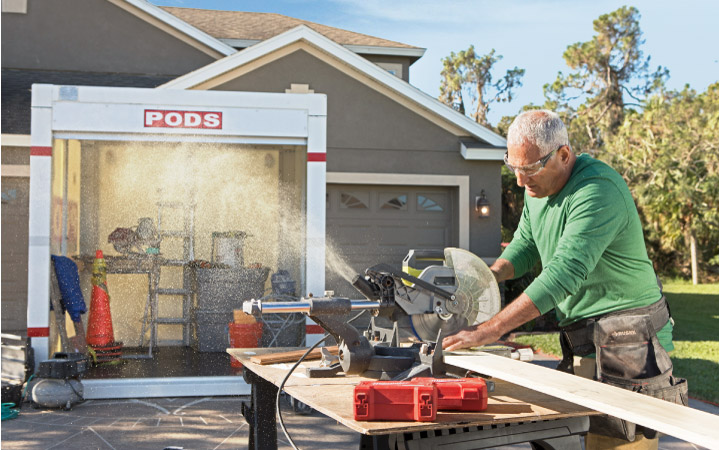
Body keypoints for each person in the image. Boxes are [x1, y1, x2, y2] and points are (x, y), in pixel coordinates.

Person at [443, 110, 686, 450]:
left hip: (632, 345)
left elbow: (563, 274)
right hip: (588, 339)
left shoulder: (597, 191)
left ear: (563, 154)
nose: (519, 181)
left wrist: (489, 330)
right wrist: (488, 276)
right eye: (513, 168)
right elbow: (527, 244)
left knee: (616, 444)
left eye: (529, 169)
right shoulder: (536, 190)